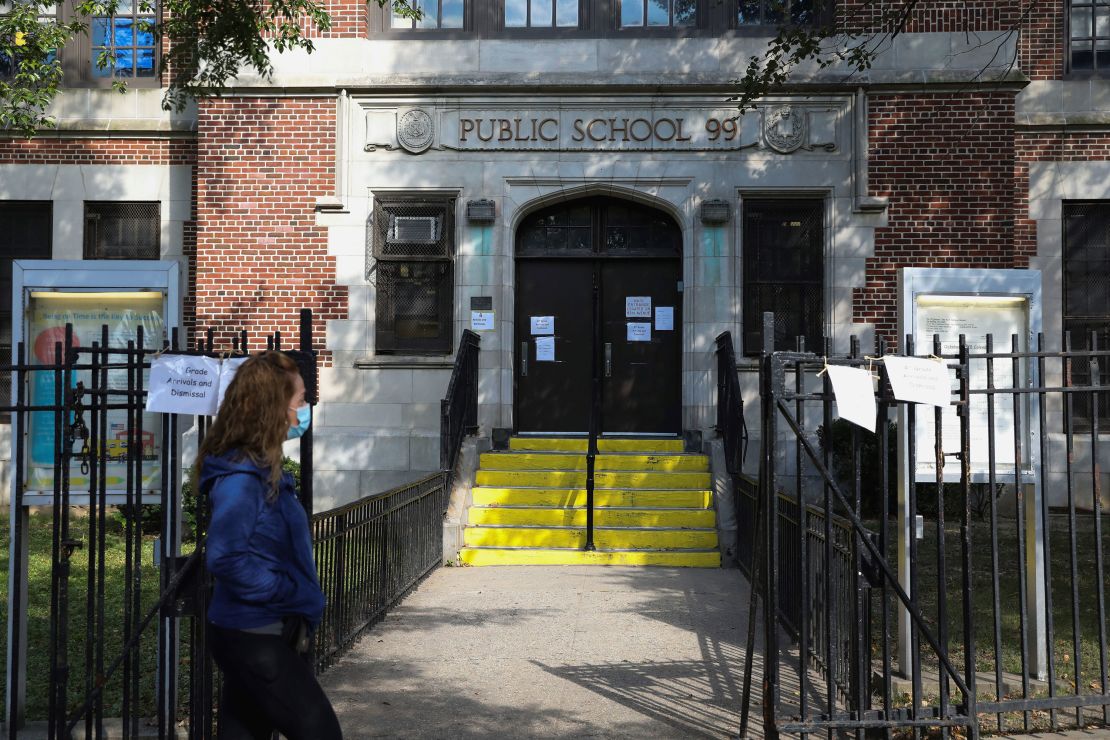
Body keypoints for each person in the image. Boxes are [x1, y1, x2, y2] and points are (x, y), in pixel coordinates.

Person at [196, 350, 341, 740]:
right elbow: (225, 556)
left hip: (261, 632)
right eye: (300, 400)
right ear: (274, 408)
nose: (306, 408)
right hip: (254, 634)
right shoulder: (242, 478)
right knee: (321, 732)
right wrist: (286, 591)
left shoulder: (260, 468)